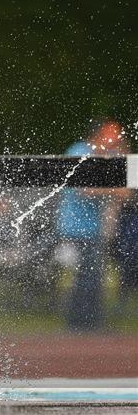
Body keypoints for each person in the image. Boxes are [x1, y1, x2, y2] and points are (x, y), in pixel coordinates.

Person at [56, 119, 129, 330]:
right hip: (75, 226)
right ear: (99, 134)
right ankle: (82, 323)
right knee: (86, 276)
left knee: (93, 276)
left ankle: (89, 323)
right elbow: (83, 189)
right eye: (112, 134)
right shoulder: (79, 151)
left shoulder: (108, 155)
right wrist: (113, 190)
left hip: (95, 227)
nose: (116, 139)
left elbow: (125, 192)